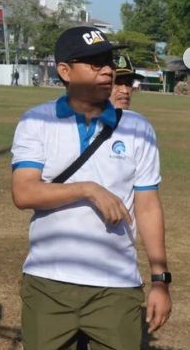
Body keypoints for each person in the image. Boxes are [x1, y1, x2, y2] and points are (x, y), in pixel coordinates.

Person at [11, 26, 171, 350]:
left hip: (116, 287)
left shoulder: (138, 128)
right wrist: (87, 188)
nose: (109, 70)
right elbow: (24, 193)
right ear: (65, 71)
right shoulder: (36, 121)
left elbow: (148, 205)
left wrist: (160, 279)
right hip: (48, 284)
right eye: (94, 63)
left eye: (109, 61)